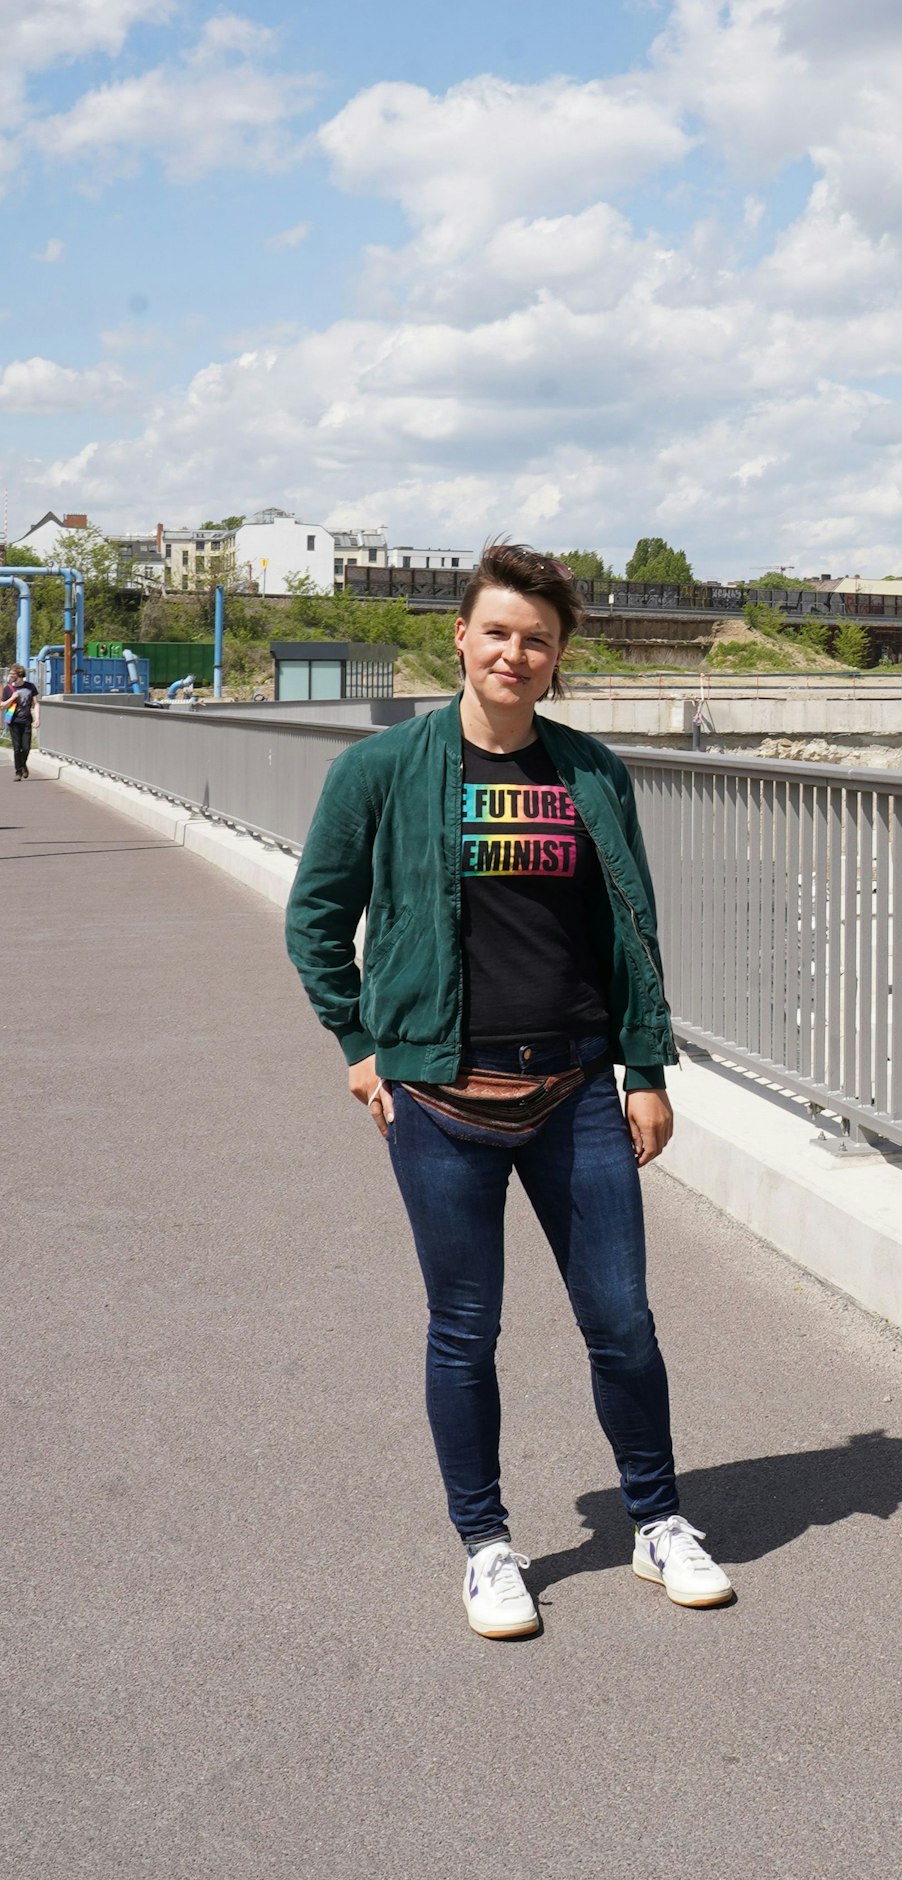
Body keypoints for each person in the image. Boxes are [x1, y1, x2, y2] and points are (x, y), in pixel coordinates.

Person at [285, 542, 732, 1639]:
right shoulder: (382, 769)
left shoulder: (587, 772)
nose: (514, 654)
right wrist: (356, 1042)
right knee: (464, 1328)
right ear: (461, 638)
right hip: (439, 1097)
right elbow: (314, 915)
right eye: (497, 632)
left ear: (558, 655)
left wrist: (646, 1066)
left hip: (575, 1090)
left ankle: (658, 1520)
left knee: (621, 1321)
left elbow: (629, 927)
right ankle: (486, 1544)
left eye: (536, 639)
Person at [4, 664, 38, 780]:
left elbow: (36, 703)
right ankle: (18, 772)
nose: (10, 676)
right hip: (13, 721)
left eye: (12, 674)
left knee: (26, 747)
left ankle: (23, 765)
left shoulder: (30, 687)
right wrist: (12, 698)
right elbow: (2, 705)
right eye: (10, 674)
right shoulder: (8, 689)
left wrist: (37, 718)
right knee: (17, 748)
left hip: (26, 721)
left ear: (19, 675)